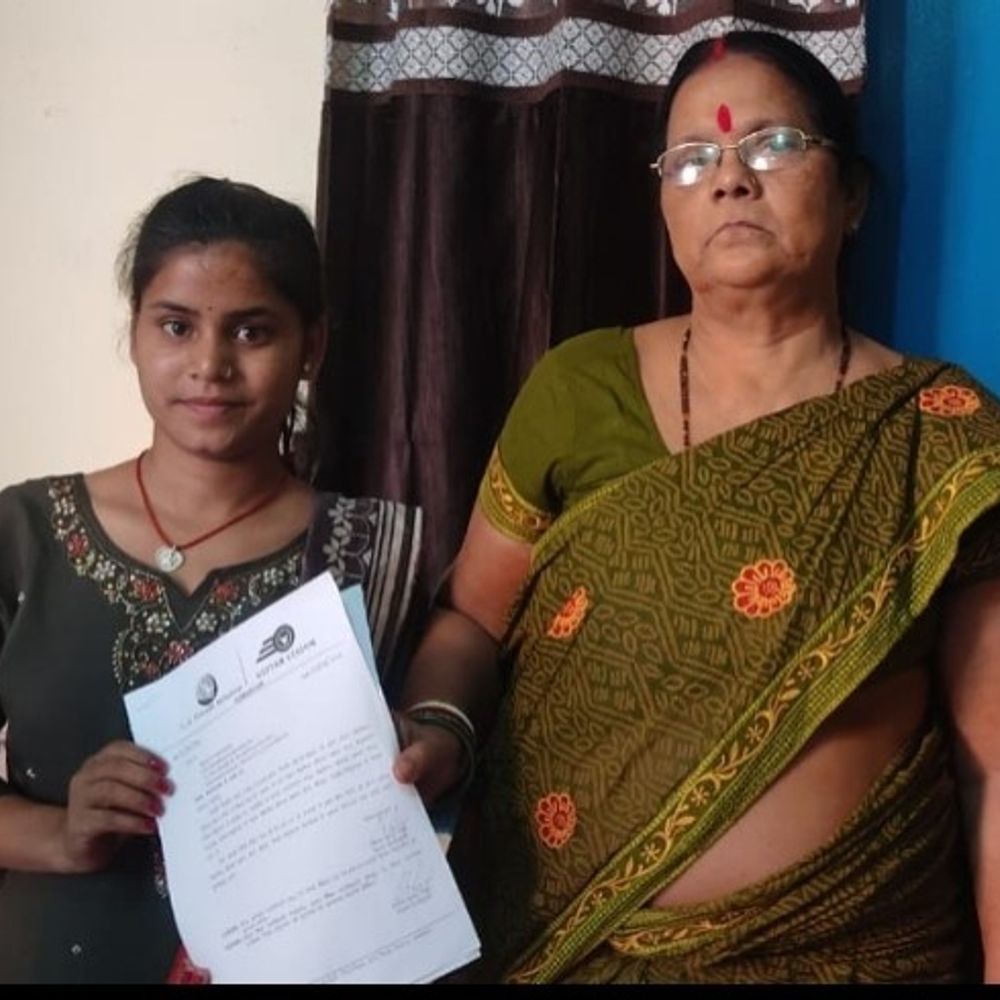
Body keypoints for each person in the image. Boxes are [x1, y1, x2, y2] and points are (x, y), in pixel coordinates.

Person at [397, 31, 1000, 983]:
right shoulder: (578, 387)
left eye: (774, 145)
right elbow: (471, 619)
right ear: (664, 205)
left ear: (853, 195)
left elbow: (992, 763)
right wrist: (439, 724)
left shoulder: (937, 432)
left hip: (849, 956)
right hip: (571, 952)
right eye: (691, 159)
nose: (729, 179)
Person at [0, 177, 427, 982]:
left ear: (312, 346)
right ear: (135, 332)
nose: (209, 365)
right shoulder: (24, 536)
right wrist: (61, 835)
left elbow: (429, 768)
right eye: (176, 326)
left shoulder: (372, 552)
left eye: (251, 331)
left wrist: (425, 744)